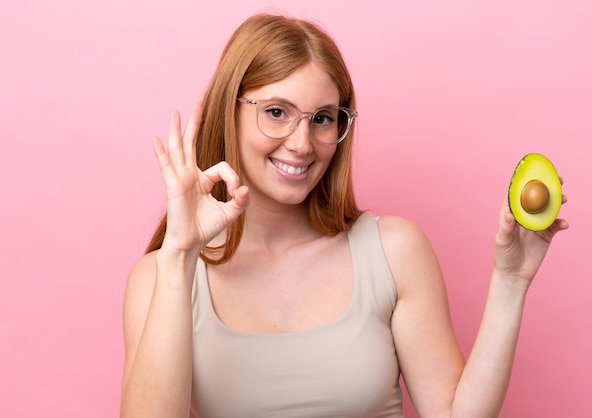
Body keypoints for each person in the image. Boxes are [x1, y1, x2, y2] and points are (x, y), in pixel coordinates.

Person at [120, 13, 568, 418]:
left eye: (323, 119)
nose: (301, 143)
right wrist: (179, 256)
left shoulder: (393, 251)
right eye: (276, 113)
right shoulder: (159, 279)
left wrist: (512, 282)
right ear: (229, 110)